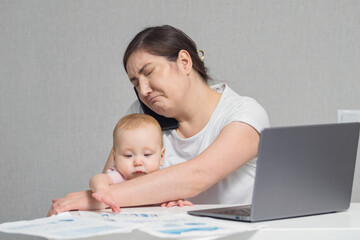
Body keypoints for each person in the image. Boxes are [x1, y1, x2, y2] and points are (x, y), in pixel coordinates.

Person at [47, 25, 269, 216]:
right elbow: (113, 179)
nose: (143, 90)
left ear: (184, 62)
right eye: (135, 82)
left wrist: (93, 200)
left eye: (149, 73)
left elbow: (197, 176)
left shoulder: (244, 113)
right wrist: (99, 198)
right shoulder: (142, 114)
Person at [89, 113, 193, 212]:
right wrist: (102, 189)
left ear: (161, 157)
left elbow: (171, 193)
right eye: (128, 155)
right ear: (115, 157)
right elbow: (98, 178)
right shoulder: (119, 176)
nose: (138, 162)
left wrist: (175, 200)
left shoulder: (161, 179)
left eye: (147, 155)